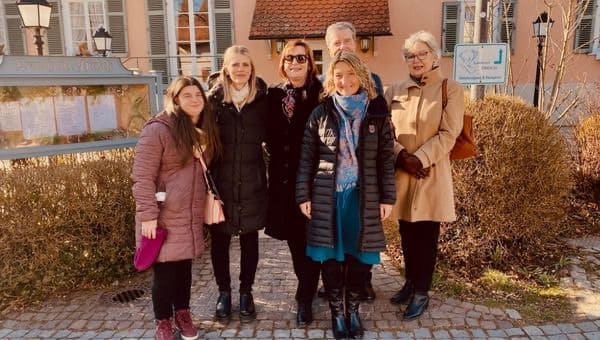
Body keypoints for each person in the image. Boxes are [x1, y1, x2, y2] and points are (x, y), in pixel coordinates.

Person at [296, 50, 396, 339]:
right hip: (328, 195)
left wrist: (387, 198)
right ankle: (337, 315)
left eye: (351, 74)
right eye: (338, 75)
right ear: (331, 79)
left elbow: (385, 159)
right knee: (331, 258)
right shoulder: (320, 113)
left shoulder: (377, 112)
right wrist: (304, 195)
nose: (345, 80)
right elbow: (307, 158)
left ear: (361, 75)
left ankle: (353, 312)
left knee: (358, 258)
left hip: (362, 197)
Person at [132, 76, 219, 340]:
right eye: (187, 95)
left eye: (198, 95)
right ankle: (163, 321)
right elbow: (142, 175)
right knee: (164, 273)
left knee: (183, 271)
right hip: (163, 215)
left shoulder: (203, 130)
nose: (194, 100)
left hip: (189, 214)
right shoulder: (159, 129)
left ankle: (183, 313)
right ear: (175, 99)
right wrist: (147, 215)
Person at [385, 31, 464, 320]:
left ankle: (422, 291)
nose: (416, 60)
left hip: (430, 173)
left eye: (422, 54)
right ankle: (410, 281)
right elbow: (384, 131)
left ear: (434, 56)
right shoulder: (394, 89)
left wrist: (420, 157)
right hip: (403, 173)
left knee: (426, 235)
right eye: (410, 56)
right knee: (406, 232)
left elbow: (449, 132)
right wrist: (400, 155)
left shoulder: (450, 88)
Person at [316, 21, 384, 301]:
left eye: (347, 41)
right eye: (336, 43)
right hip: (331, 174)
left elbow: (381, 128)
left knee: (360, 232)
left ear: (355, 43)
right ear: (329, 48)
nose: (342, 46)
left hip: (362, 173)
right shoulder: (322, 84)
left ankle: (361, 282)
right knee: (332, 231)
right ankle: (334, 284)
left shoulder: (374, 80)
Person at [206, 45, 268, 323]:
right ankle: (224, 293)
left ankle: (246, 292)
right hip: (221, 183)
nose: (241, 69)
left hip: (252, 181)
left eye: (245, 64)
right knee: (220, 241)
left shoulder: (262, 100)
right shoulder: (213, 101)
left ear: (251, 68)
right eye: (235, 64)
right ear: (226, 69)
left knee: (250, 240)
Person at [264, 40, 323, 327]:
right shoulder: (273, 95)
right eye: (290, 58)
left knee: (311, 240)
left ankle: (304, 298)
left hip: (313, 180)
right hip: (282, 183)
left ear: (310, 62)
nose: (296, 63)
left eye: (302, 58)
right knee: (294, 241)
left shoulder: (322, 94)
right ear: (283, 63)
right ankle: (308, 288)